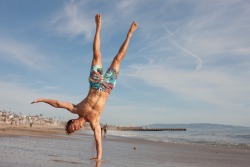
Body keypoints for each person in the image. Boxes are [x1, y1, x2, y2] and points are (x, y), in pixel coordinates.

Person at [31, 14, 138, 161]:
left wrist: (42, 99)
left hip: (95, 83)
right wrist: (99, 158)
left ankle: (98, 27)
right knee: (118, 58)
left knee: (96, 55)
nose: (75, 129)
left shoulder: (76, 108)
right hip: (107, 87)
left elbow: (57, 104)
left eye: (72, 127)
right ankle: (130, 34)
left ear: (72, 121)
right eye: (73, 131)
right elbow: (98, 139)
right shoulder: (95, 122)